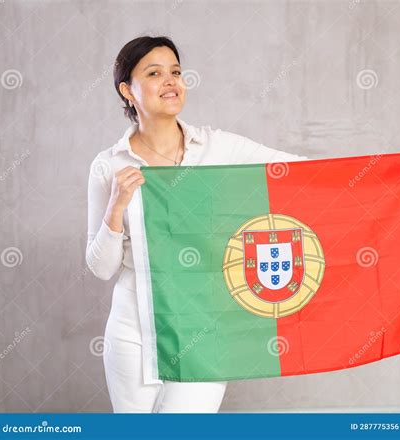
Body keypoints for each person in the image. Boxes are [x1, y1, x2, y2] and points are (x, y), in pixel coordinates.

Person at [86, 35, 308, 413]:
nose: (171, 81)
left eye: (175, 72)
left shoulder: (218, 148)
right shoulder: (109, 165)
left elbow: (299, 172)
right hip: (134, 332)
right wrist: (115, 207)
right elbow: (101, 267)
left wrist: (379, 175)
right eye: (154, 73)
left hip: (205, 328)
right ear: (128, 91)